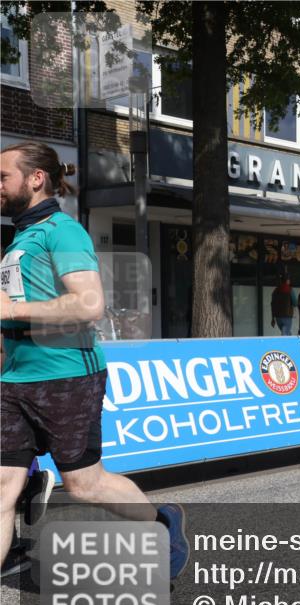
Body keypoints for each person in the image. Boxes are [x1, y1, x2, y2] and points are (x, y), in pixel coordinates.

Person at [0, 141, 188, 578]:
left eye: (3, 177)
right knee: (3, 488)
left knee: (84, 485)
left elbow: (88, 305)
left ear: (36, 179)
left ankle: (162, 523)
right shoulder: (21, 238)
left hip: (67, 376)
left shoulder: (62, 231)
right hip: (16, 379)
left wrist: (10, 310)